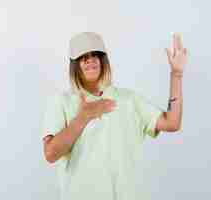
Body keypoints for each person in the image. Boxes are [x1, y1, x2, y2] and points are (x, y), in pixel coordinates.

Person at [41, 32, 187, 200]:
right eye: (83, 57)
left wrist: (176, 75)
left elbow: (172, 122)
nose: (90, 60)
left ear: (103, 61)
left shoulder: (129, 100)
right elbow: (51, 154)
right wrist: (83, 117)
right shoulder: (61, 102)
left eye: (95, 55)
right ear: (74, 65)